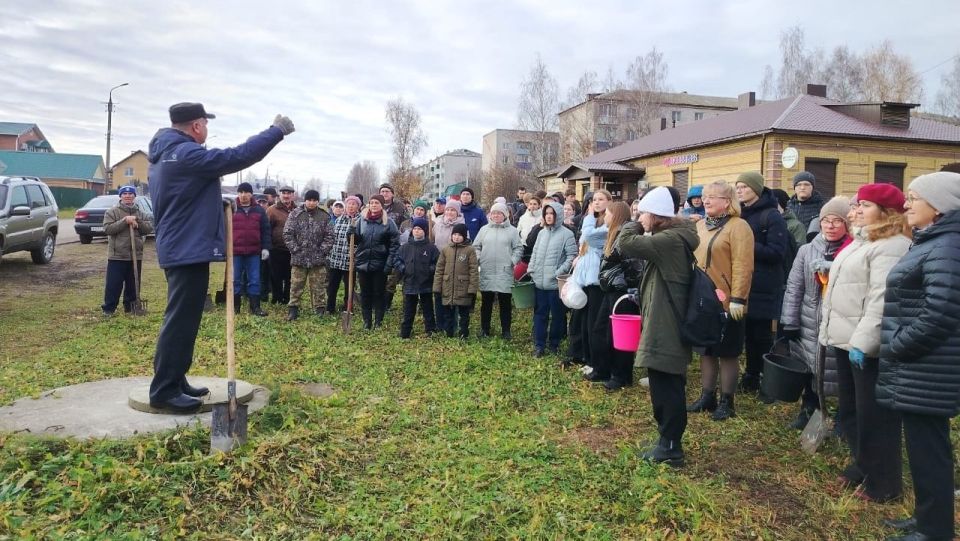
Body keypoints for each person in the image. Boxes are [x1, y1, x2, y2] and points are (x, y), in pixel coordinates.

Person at [147, 102, 293, 413]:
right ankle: (163, 390)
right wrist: (275, 132)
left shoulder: (169, 153)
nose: (207, 130)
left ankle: (174, 379)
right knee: (180, 320)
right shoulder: (187, 154)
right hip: (186, 248)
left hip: (182, 245)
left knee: (185, 318)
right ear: (196, 126)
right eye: (205, 124)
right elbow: (236, 156)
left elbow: (188, 194)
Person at [877, 172, 960, 541]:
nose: (906, 204)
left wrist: (896, 346)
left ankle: (935, 530)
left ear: (939, 206)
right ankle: (928, 519)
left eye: (914, 198)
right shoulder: (932, 241)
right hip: (920, 366)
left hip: (927, 366)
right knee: (926, 448)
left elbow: (941, 312)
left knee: (930, 450)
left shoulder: (946, 247)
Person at [820, 182, 910, 503]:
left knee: (875, 416)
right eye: (856, 205)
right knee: (851, 411)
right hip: (846, 339)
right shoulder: (863, 240)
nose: (854, 211)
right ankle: (864, 465)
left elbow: (881, 298)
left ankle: (884, 484)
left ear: (886, 213)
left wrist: (864, 341)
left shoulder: (893, 245)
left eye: (864, 206)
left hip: (865, 345)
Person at [618, 186, 699, 467]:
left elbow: (626, 243)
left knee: (666, 384)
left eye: (644, 213)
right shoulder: (673, 237)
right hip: (666, 318)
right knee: (665, 381)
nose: (641, 217)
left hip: (667, 323)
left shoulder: (669, 240)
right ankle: (667, 440)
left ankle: (671, 446)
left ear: (655, 215)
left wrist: (634, 222)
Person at [779, 196, 852, 429]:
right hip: (809, 322)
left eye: (837, 221)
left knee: (839, 372)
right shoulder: (807, 251)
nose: (830, 226)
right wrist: (789, 322)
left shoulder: (852, 252)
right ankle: (809, 409)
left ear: (847, 224)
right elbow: (794, 288)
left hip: (840, 323)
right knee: (811, 368)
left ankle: (843, 416)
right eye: (826, 221)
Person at [686, 181, 755, 421]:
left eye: (713, 196)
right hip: (704, 299)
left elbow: (743, 265)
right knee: (706, 349)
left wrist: (738, 298)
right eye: (705, 196)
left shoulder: (739, 227)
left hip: (728, 301)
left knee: (727, 352)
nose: (706, 200)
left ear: (727, 202)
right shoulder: (701, 226)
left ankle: (727, 401)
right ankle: (707, 396)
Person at [734, 172, 788, 396]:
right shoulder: (740, 215)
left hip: (765, 283)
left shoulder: (771, 216)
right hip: (745, 282)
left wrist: (747, 246)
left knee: (762, 334)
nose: (739, 190)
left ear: (756, 189)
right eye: (737, 187)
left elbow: (777, 252)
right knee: (747, 332)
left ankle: (769, 380)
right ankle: (750, 376)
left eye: (744, 187)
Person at [592, 201, 643, 389]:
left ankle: (621, 375)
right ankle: (602, 369)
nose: (604, 216)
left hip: (623, 293)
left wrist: (631, 290)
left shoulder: (625, 237)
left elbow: (634, 266)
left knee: (619, 336)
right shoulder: (614, 235)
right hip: (610, 290)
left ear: (617, 215)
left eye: (607, 213)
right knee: (602, 330)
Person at [528, 202, 577, 356]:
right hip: (539, 283)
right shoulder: (542, 233)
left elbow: (571, 257)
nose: (549, 216)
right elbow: (534, 252)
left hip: (555, 284)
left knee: (557, 316)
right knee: (540, 314)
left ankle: (554, 344)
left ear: (558, 215)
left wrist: (558, 272)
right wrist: (531, 268)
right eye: (547, 213)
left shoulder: (566, 234)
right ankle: (539, 345)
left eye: (552, 213)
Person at [574, 189, 611, 380]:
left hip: (598, 279)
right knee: (585, 320)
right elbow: (583, 245)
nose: (596, 203)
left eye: (600, 199)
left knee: (595, 323)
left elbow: (589, 237)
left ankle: (597, 362)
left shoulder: (607, 224)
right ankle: (588, 359)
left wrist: (588, 217)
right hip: (585, 277)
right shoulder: (594, 221)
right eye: (594, 200)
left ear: (609, 202)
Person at [101, 185, 154, 315]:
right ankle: (109, 309)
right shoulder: (112, 212)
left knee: (133, 283)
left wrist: (137, 221)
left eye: (131, 194)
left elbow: (148, 228)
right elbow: (107, 229)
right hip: (117, 255)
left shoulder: (140, 213)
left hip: (135, 254)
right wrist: (125, 220)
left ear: (134, 196)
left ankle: (130, 307)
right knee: (114, 285)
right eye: (124, 194)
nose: (128, 196)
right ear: (120, 196)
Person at [473, 202, 523, 339]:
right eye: (494, 213)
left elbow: (519, 248)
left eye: (499, 213)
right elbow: (476, 246)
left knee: (505, 301)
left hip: (504, 270)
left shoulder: (512, 231)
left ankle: (506, 330)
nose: (496, 215)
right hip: (487, 269)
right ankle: (485, 329)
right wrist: (479, 258)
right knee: (486, 301)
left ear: (505, 215)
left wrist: (512, 261)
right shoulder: (484, 230)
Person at [283, 189, 334, 320]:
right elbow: (287, 234)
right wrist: (295, 249)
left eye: (314, 200)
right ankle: (293, 309)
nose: (311, 203)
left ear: (317, 201)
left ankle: (319, 309)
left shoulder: (324, 216)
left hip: (318, 259)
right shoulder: (295, 214)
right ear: (305, 200)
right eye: (309, 200)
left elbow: (330, 236)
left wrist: (322, 251)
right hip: (299, 258)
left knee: (319, 285)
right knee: (296, 285)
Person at [354, 195, 400, 329]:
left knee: (379, 293)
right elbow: (355, 242)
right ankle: (367, 321)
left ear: (381, 205)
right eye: (371, 203)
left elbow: (394, 245)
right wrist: (351, 234)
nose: (373, 205)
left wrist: (389, 264)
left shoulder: (388, 223)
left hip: (380, 264)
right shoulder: (361, 221)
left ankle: (378, 321)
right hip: (363, 263)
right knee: (365, 293)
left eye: (376, 203)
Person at [232, 182, 271, 316]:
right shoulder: (231, 209)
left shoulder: (259, 210)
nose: (243, 195)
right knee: (235, 279)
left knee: (254, 279)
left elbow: (265, 230)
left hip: (254, 252)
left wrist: (265, 248)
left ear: (251, 194)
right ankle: (235, 308)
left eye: (246, 192)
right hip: (235, 252)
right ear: (238, 194)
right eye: (241, 192)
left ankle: (255, 307)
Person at [434, 223, 479, 338]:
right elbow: (439, 269)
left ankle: (463, 334)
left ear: (464, 236)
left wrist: (472, 288)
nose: (456, 237)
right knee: (448, 313)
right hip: (448, 286)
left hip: (463, 287)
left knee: (464, 314)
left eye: (459, 235)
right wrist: (437, 287)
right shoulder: (446, 250)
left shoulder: (469, 250)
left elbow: (473, 270)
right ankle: (449, 333)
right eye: (454, 234)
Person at [396, 217, 439, 338]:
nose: (417, 231)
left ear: (425, 231)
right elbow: (397, 260)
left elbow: (437, 262)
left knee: (428, 308)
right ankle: (405, 332)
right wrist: (403, 268)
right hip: (410, 282)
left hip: (426, 283)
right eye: (415, 228)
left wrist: (430, 270)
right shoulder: (405, 247)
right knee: (409, 309)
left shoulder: (431, 248)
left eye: (419, 229)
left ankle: (431, 330)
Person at [432, 199, 465, 332]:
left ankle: (452, 324)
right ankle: (440, 324)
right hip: (439, 263)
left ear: (457, 212)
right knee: (439, 293)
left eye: (453, 210)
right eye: (448, 210)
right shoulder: (438, 223)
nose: (450, 212)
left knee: (452, 294)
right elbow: (432, 239)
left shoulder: (461, 225)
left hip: (454, 264)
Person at [326, 195, 361, 314]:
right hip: (336, 257)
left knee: (349, 286)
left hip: (350, 259)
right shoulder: (339, 219)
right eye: (349, 204)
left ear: (358, 207)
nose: (351, 207)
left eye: (354, 204)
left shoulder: (360, 220)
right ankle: (330, 307)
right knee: (332, 285)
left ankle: (348, 307)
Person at [267, 186, 297, 305]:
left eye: (289, 193)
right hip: (276, 249)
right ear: (280, 195)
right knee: (276, 276)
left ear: (292, 196)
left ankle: (287, 297)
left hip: (292, 250)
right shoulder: (271, 210)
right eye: (284, 193)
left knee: (291, 276)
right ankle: (277, 297)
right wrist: (268, 246)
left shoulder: (298, 210)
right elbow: (266, 229)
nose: (286, 195)